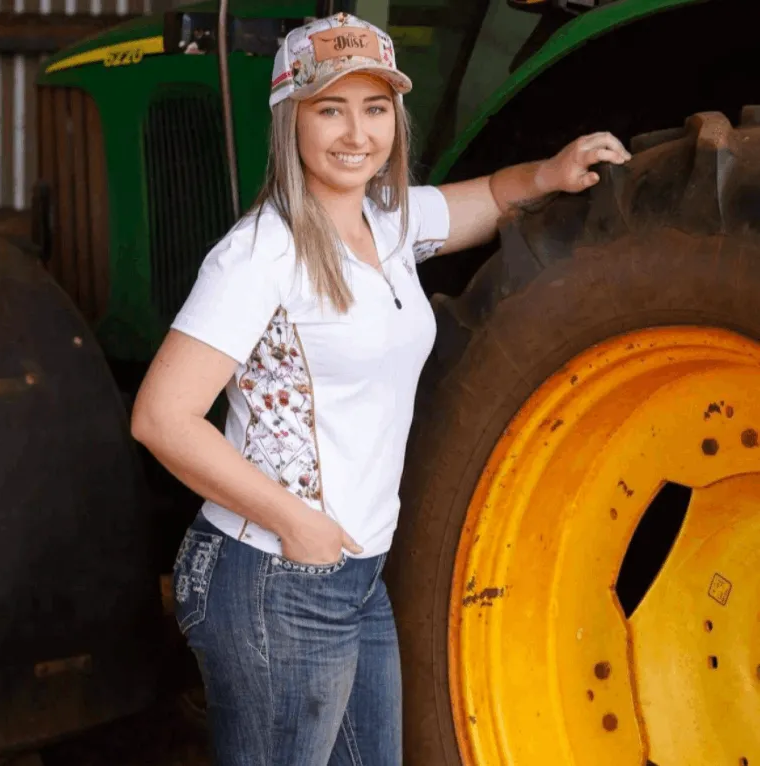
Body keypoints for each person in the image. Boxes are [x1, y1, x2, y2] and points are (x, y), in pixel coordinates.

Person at [131, 12, 631, 766]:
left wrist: (548, 176)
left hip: (356, 578)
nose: (355, 133)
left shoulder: (387, 224)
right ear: (289, 119)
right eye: (330, 109)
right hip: (274, 574)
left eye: (374, 109)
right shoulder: (260, 254)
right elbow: (162, 417)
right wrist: (298, 527)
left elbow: (490, 198)